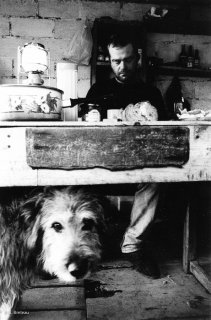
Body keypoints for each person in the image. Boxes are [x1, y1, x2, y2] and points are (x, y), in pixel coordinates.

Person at [86, 31, 168, 279]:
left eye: (128, 59)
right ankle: (82, 246)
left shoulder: (151, 93)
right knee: (73, 178)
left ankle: (132, 245)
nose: (122, 66)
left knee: (156, 178)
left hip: (139, 168)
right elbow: (87, 133)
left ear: (138, 58)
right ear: (109, 60)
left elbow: (162, 135)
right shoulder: (98, 90)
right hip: (102, 166)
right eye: (116, 61)